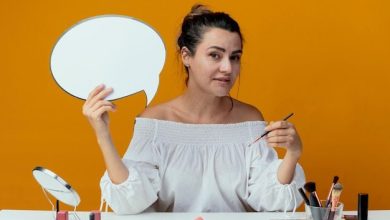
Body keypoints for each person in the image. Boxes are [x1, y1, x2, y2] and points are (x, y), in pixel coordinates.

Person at [82, 4, 305, 214]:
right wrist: (103, 135)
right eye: (215, 55)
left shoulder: (249, 119)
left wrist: (293, 153)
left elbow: (271, 202)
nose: (228, 68)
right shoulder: (155, 122)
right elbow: (131, 202)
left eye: (235, 57)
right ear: (186, 56)